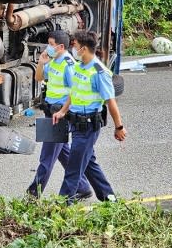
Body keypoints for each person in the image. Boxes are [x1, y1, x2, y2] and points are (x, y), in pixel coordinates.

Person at [51, 29, 127, 203]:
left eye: (75, 45)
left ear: (83, 49)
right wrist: (63, 111)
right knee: (89, 164)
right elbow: (74, 93)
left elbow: (111, 102)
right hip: (76, 123)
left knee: (74, 167)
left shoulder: (99, 72)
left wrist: (119, 127)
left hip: (88, 126)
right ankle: (110, 198)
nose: (73, 49)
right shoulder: (78, 67)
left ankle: (62, 204)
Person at [27, 30, 93, 199]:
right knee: (63, 153)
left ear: (61, 46)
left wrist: (65, 112)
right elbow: (39, 78)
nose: (48, 47)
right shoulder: (53, 61)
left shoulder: (69, 65)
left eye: (51, 44)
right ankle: (83, 187)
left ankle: (33, 194)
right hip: (50, 112)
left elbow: (76, 92)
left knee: (47, 157)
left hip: (59, 115)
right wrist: (41, 64)